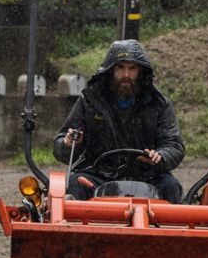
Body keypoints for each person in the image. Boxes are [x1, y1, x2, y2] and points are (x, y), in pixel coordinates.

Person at [53, 39, 185, 202]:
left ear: (141, 71)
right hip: (99, 175)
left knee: (170, 186)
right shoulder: (89, 101)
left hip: (147, 176)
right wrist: (70, 143)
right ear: (110, 70)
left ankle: (170, 228)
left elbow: (174, 145)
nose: (126, 75)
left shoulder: (159, 105)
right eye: (120, 67)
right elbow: (62, 147)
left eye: (132, 68)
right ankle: (75, 227)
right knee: (75, 183)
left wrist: (161, 156)